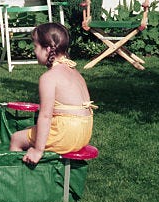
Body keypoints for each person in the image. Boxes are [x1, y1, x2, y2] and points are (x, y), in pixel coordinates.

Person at [9, 22, 95, 164]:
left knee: (16, 138)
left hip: (66, 133)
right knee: (30, 131)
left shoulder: (48, 77)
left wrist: (38, 150)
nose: (34, 51)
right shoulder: (73, 70)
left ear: (48, 49)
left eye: (35, 46)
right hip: (84, 132)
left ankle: (17, 176)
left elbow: (45, 116)